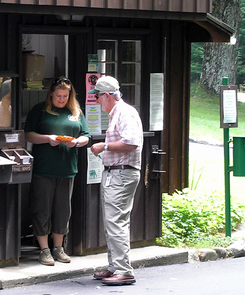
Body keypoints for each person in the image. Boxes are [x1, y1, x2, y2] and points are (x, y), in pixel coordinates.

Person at [24, 76, 90, 266]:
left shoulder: (76, 111)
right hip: (44, 169)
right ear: (51, 93)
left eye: (65, 95)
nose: (61, 99)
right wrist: (48, 138)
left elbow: (86, 135)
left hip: (67, 169)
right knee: (42, 209)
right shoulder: (40, 110)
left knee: (63, 210)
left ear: (70, 95)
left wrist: (77, 142)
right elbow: (28, 135)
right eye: (58, 95)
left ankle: (58, 248)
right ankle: (44, 249)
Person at [89, 76, 143, 286]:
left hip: (122, 173)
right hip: (116, 173)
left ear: (108, 95)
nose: (96, 101)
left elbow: (131, 143)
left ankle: (123, 270)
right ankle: (115, 266)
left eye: (98, 97)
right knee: (113, 222)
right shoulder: (117, 113)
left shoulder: (125, 112)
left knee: (116, 222)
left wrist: (104, 146)